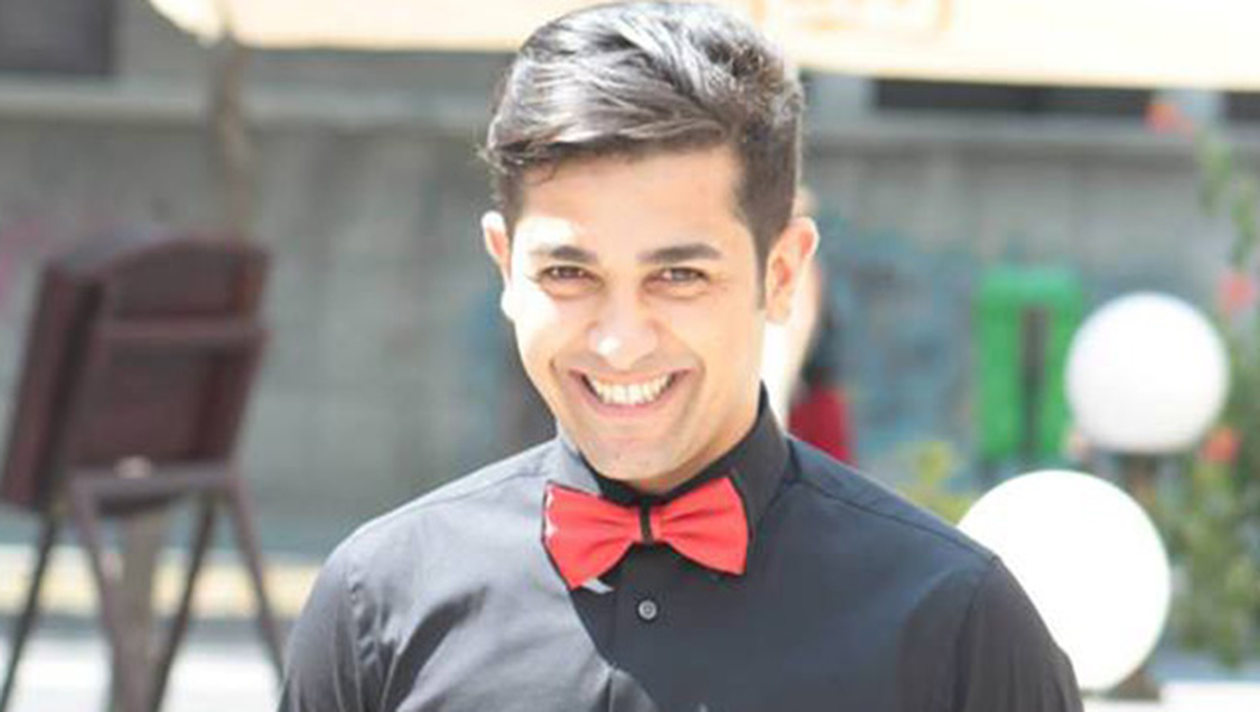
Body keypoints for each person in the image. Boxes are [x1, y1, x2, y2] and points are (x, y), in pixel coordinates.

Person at [280, 3, 1082, 710]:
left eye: (678, 276)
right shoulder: (375, 603)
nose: (620, 341)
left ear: (782, 274)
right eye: (569, 273)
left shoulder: (956, 627)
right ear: (505, 268)